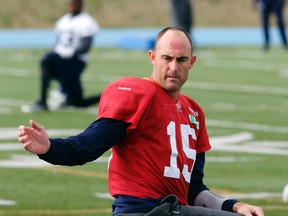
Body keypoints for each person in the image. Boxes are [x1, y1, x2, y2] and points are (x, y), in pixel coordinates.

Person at [18, 27, 264, 216]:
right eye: (166, 58)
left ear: (192, 62)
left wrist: (235, 206)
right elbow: (86, 147)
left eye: (180, 60)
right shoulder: (137, 93)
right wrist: (49, 147)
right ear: (152, 57)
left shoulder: (193, 112)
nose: (173, 67)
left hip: (175, 208)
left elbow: (194, 189)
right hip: (141, 210)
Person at [22, 0, 101, 113]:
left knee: (78, 102)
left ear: (80, 4)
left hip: (76, 62)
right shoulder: (63, 21)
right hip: (60, 61)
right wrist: (58, 51)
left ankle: (103, 96)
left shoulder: (87, 22)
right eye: (71, 3)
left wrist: (71, 52)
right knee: (47, 60)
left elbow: (86, 46)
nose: (72, 6)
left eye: (75, 3)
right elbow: (59, 43)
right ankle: (49, 98)